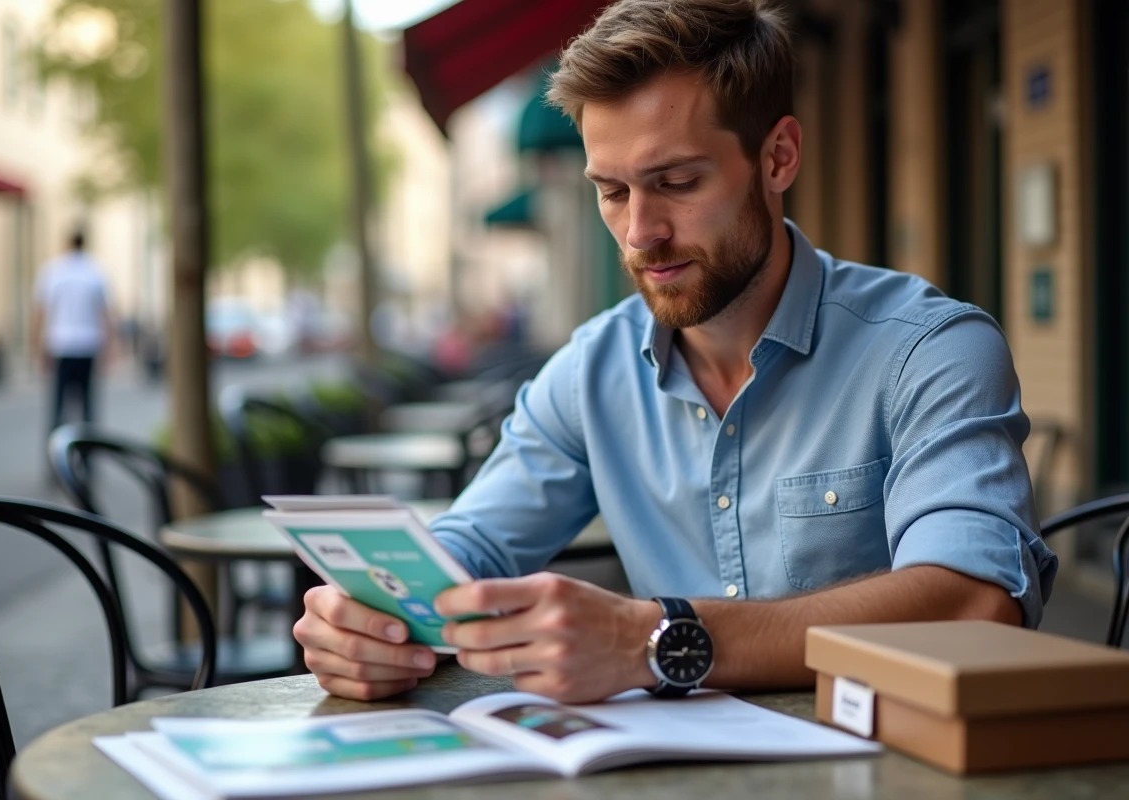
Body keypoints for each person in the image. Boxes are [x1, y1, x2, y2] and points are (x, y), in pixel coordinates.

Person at [296, 0, 1056, 704]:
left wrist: (654, 638)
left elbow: (974, 601)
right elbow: (476, 544)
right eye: (613, 191)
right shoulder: (590, 374)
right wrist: (372, 615)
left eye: (677, 182)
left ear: (778, 157)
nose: (640, 232)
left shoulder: (929, 350)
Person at [31, 228, 115, 435]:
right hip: (88, 345)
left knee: (58, 408)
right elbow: (105, 314)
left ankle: (56, 458)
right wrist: (111, 347)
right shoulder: (95, 271)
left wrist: (36, 347)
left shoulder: (53, 271)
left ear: (67, 243)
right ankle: (86, 458)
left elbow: (41, 313)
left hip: (61, 345)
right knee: (87, 408)